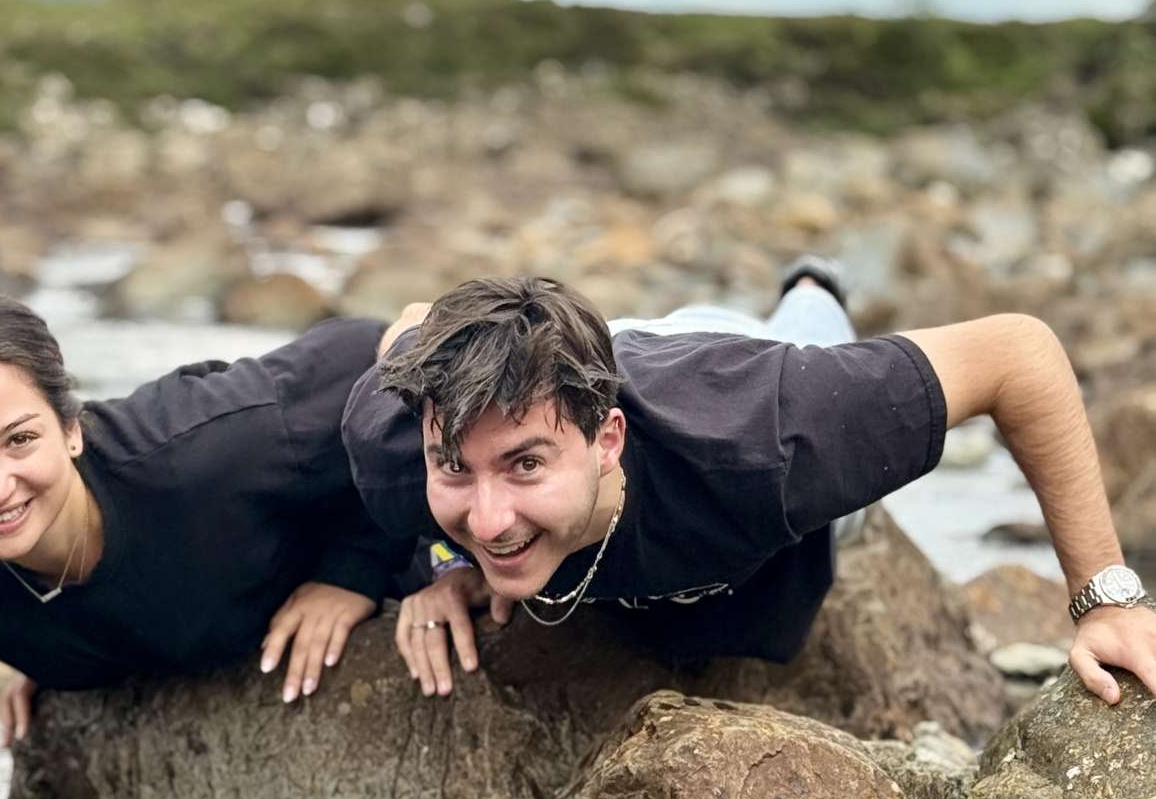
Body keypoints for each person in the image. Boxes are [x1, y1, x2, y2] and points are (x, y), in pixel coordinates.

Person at [341, 270, 1156, 706]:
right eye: (457, 471)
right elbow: (415, 313)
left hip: (726, 364)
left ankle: (812, 291)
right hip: (631, 359)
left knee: (805, 341)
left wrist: (1106, 599)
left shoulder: (765, 436)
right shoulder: (398, 436)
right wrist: (444, 562)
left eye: (525, 466)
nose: (487, 517)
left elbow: (1019, 354)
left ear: (607, 443)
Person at [0, 290, 410, 744]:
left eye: (21, 439)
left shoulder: (207, 450)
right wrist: (45, 649)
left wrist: (354, 568)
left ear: (71, 429)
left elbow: (396, 340)